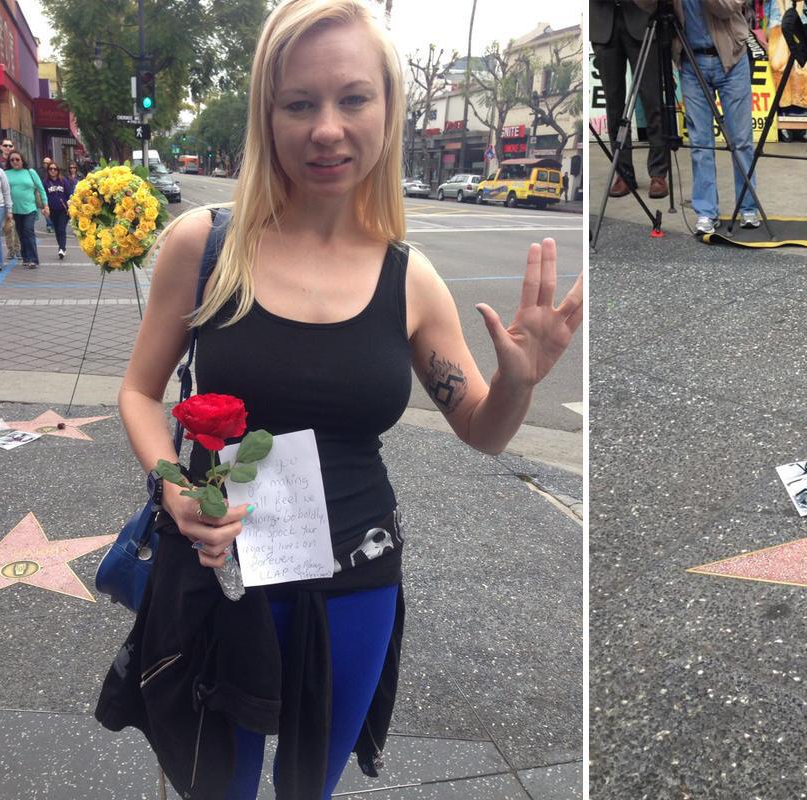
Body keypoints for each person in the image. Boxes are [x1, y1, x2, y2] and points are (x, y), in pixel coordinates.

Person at [94, 1, 583, 797]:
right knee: (209, 784)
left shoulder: (409, 277)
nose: (327, 128)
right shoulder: (205, 246)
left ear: (389, 109)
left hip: (356, 580)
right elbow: (140, 392)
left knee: (308, 788)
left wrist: (520, 385)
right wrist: (173, 484)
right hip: (221, 564)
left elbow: (483, 430)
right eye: (300, 103)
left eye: (353, 98)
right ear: (267, 113)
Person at [635, 0, 761, 235]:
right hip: (691, 62)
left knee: (741, 140)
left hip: (732, 58)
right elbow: (647, 5)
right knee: (700, 143)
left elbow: (726, 6)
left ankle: (748, 207)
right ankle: (706, 211)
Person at [589, 0, 669, 200]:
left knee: (652, 100)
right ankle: (624, 173)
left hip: (642, 18)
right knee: (614, 106)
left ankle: (658, 173)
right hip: (603, 24)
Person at [4, 150, 49, 269]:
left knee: (28, 231)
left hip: (30, 209)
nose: (15, 162)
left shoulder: (30, 172)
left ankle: (33, 259)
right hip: (14, 210)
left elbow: (41, 189)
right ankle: (25, 257)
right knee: (21, 234)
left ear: (22, 160)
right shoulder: (6, 173)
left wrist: (46, 205)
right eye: (12, 160)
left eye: (17, 159)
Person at [43, 162, 75, 259]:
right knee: (57, 230)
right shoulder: (45, 182)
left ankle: (62, 248)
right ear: (48, 171)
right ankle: (61, 247)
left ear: (58, 171)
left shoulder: (63, 181)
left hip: (63, 210)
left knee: (61, 229)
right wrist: (44, 207)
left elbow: (69, 194)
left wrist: (70, 207)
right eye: (51, 169)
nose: (53, 171)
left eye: (55, 169)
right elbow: (43, 195)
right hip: (52, 210)